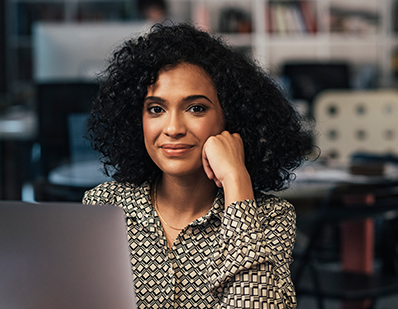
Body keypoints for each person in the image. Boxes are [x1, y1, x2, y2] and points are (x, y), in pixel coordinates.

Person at [83, 23, 313, 309]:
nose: (173, 128)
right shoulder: (105, 206)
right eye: (156, 109)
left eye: (196, 108)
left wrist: (235, 178)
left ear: (229, 117)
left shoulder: (270, 218)